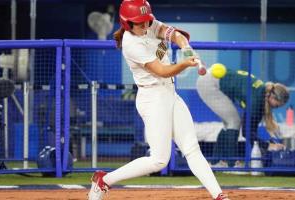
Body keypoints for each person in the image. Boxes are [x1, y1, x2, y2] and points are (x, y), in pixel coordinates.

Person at [87, 1, 230, 200]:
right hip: (152, 98)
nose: (146, 25)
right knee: (159, 160)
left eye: (147, 20)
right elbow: (162, 71)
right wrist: (185, 63)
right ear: (127, 24)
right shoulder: (131, 44)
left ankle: (220, 196)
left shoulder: (148, 22)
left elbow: (174, 34)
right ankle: (104, 180)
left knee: (192, 148)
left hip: (169, 93)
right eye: (140, 23)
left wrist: (187, 48)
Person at [196, 63, 289, 168]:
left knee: (229, 123)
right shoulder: (257, 100)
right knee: (233, 121)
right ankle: (232, 164)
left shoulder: (261, 95)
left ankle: (216, 162)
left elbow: (251, 130)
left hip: (212, 79)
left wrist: (267, 143)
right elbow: (247, 132)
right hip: (209, 83)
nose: (277, 107)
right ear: (273, 97)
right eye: (278, 105)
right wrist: (268, 146)